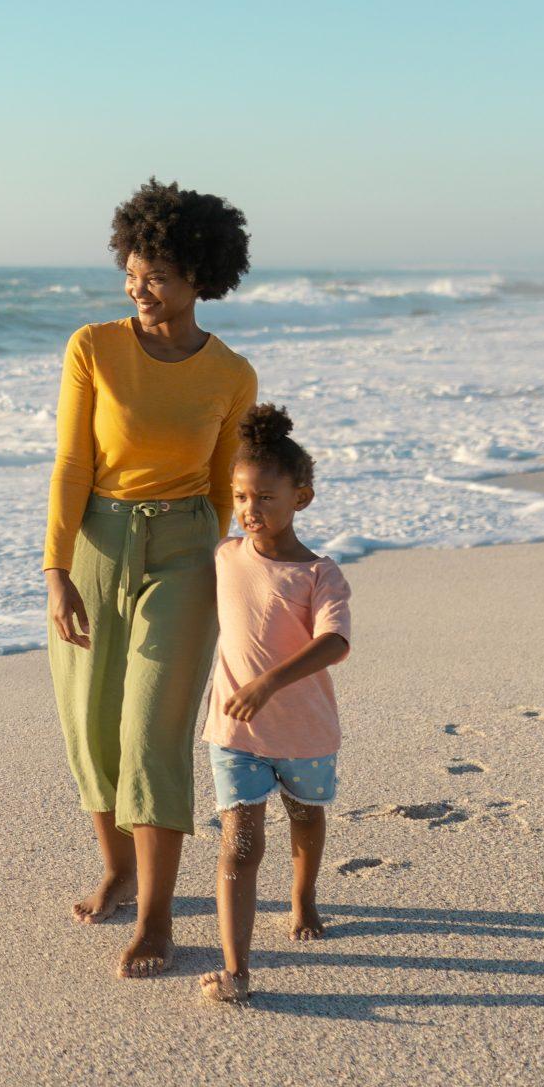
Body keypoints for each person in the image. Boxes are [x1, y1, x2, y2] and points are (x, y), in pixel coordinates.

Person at [46, 180, 258, 978]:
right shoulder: (93, 348)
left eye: (158, 275)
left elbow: (218, 486)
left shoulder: (232, 374)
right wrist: (56, 568)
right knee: (92, 726)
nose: (140, 287)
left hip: (186, 549)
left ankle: (157, 914)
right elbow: (72, 464)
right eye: (133, 271)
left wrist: (229, 569)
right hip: (97, 539)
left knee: (151, 732)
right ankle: (119, 866)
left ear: (200, 277)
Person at [196, 406, 352, 1003]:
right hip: (233, 733)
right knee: (240, 842)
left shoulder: (320, 574)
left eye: (263, 497)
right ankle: (237, 968)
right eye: (239, 497)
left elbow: (334, 643)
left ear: (301, 498)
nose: (249, 510)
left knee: (307, 817)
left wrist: (267, 684)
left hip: (306, 731)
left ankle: (304, 895)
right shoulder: (225, 556)